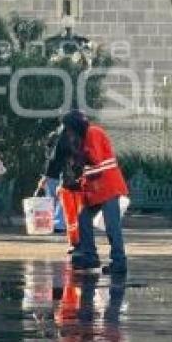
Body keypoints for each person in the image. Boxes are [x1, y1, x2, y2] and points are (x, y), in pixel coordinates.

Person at [60, 110, 128, 275]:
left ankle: (119, 262)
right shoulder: (83, 136)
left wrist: (75, 154)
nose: (68, 132)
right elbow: (87, 168)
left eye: (69, 128)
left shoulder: (93, 133)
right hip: (96, 189)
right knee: (83, 218)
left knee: (112, 226)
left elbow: (95, 159)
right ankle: (90, 256)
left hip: (108, 186)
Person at [38, 127, 67, 233]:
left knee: (51, 201)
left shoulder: (53, 147)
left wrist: (44, 176)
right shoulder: (63, 144)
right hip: (58, 176)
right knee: (60, 200)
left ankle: (53, 223)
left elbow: (49, 162)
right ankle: (58, 224)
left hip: (51, 176)